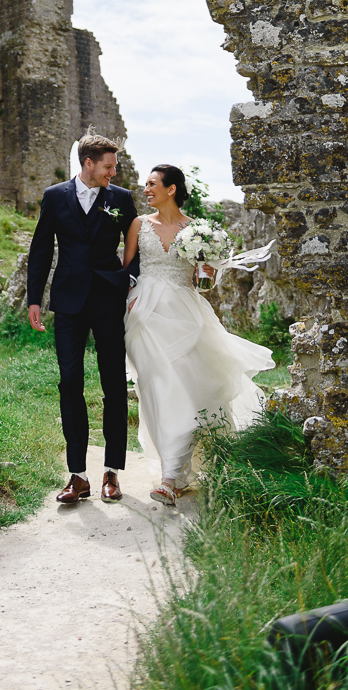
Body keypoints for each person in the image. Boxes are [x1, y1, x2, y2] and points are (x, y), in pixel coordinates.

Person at [122, 164, 275, 506]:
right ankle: (172, 473)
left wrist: (207, 270)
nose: (145, 188)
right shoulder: (137, 224)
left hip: (185, 313)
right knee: (157, 389)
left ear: (171, 188)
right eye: (145, 184)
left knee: (186, 388)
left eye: (151, 183)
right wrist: (127, 301)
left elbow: (202, 281)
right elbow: (127, 269)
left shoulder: (197, 230)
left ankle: (169, 478)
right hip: (145, 314)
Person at [27, 134, 138, 505]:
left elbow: (135, 246)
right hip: (69, 301)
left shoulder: (120, 199)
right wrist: (34, 299)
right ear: (88, 163)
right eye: (109, 165)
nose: (114, 171)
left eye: (115, 166)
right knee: (69, 381)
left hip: (108, 299)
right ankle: (77, 475)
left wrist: (129, 282)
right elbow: (41, 248)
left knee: (113, 384)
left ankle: (112, 472)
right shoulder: (55, 196)